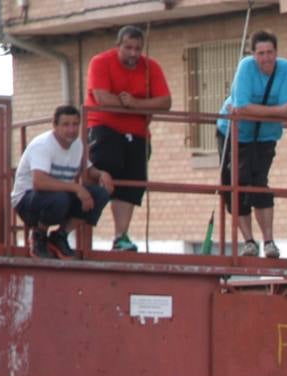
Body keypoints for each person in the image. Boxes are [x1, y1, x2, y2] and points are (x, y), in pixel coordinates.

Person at [84, 25, 171, 252]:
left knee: (132, 183)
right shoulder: (100, 62)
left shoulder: (151, 67)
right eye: (128, 48)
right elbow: (102, 99)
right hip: (103, 128)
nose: (133, 53)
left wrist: (134, 103)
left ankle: (120, 236)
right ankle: (78, 227)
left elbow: (165, 102)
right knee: (104, 167)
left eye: (138, 49)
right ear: (118, 46)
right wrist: (141, 107)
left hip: (139, 134)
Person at [216, 31, 287, 258]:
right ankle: (249, 242)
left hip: (265, 137)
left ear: (276, 52)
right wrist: (277, 111)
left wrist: (256, 112)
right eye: (261, 53)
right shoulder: (245, 67)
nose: (266, 58)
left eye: (270, 52)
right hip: (233, 132)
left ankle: (269, 242)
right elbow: (241, 107)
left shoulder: (286, 69)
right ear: (254, 54)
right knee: (234, 184)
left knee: (259, 183)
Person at [11, 105, 114, 259]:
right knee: (60, 197)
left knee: (99, 194)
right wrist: (76, 188)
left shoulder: (77, 144)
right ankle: (38, 236)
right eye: (66, 124)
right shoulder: (43, 145)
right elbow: (39, 182)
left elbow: (88, 168)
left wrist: (101, 174)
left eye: (75, 124)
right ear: (55, 125)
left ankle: (59, 236)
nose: (71, 130)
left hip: (59, 197)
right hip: (27, 202)